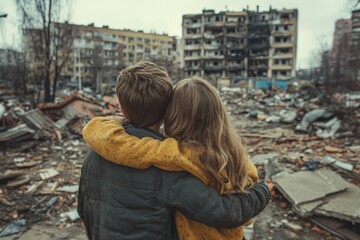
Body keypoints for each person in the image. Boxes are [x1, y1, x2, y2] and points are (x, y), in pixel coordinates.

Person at [82, 70, 268, 240]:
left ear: (122, 108)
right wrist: (263, 190)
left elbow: (84, 208)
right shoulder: (169, 166)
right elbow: (221, 211)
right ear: (166, 111)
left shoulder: (95, 151)